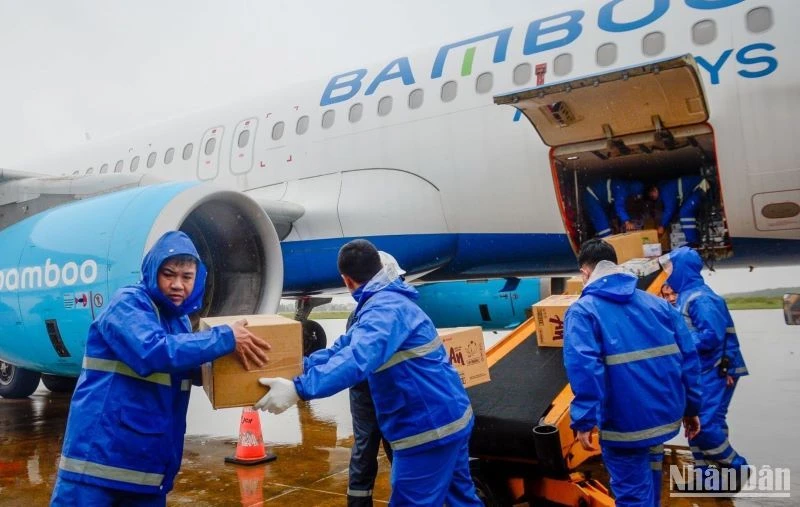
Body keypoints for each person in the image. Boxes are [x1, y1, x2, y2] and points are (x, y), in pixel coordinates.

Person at [51, 231, 271, 507]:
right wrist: (225, 337)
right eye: (169, 274)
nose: (178, 285)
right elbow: (153, 352)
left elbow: (193, 369)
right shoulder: (129, 304)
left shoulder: (177, 323)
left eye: (187, 277)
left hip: (147, 471)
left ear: (197, 279)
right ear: (153, 272)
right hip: (98, 467)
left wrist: (252, 376)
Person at [255, 239, 482, 506]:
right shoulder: (387, 304)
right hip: (451, 419)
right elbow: (342, 349)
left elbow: (356, 358)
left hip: (427, 431)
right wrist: (296, 367)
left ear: (347, 280)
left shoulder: (384, 310)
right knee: (461, 500)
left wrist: (299, 388)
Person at [563, 239, 702, 506]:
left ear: (585, 272)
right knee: (650, 482)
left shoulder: (583, 311)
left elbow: (584, 368)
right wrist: (692, 408)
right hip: (662, 416)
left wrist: (583, 421)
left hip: (624, 425)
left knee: (632, 496)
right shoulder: (659, 304)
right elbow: (688, 359)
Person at [664, 246, 749, 486]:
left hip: (715, 370)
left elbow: (712, 336)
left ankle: (736, 466)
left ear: (682, 269)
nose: (667, 273)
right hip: (701, 371)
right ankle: (706, 476)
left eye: (670, 268)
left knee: (706, 425)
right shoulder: (684, 297)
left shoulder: (700, 298)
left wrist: (677, 344)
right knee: (695, 423)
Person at [343, 251, 402, 506]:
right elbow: (356, 358)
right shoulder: (369, 312)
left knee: (386, 447)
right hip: (369, 391)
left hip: (380, 390)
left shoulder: (380, 309)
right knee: (368, 449)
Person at [646, 176, 708, 244]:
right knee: (684, 211)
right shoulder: (664, 189)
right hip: (697, 188)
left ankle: (693, 241)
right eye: (651, 197)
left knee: (685, 212)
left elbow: (669, 209)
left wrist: (662, 225)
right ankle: (695, 239)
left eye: (652, 195)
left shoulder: (665, 191)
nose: (653, 198)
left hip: (701, 186)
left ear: (655, 189)